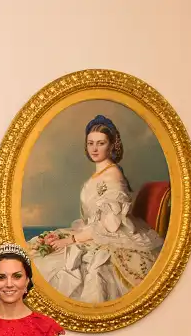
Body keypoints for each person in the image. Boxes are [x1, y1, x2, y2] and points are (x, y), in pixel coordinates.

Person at [29, 114, 164, 303]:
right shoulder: (100, 173)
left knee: (58, 266)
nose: (94, 148)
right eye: (90, 143)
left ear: (112, 145)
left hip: (112, 238)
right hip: (92, 232)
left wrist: (73, 239)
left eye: (100, 143)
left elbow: (110, 225)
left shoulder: (113, 176)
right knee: (38, 254)